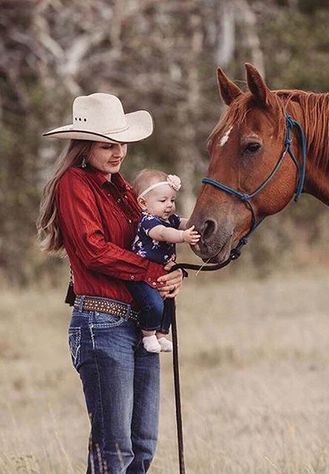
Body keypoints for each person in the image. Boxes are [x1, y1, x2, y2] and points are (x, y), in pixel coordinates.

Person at [37, 92, 184, 473]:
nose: (118, 152)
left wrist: (170, 273)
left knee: (142, 446)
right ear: (85, 146)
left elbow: (147, 243)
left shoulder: (123, 189)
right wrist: (149, 273)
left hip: (139, 322)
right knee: (115, 450)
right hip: (101, 324)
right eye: (107, 144)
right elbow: (93, 251)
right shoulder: (74, 183)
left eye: (122, 143)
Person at [128, 169, 200, 353]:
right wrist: (183, 236)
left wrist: (196, 224)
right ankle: (148, 334)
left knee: (168, 302)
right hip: (142, 274)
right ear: (143, 203)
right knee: (153, 303)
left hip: (161, 273)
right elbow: (162, 233)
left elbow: (183, 222)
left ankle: (161, 334)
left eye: (172, 200)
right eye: (163, 201)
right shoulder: (148, 221)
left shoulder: (168, 218)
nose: (169, 205)